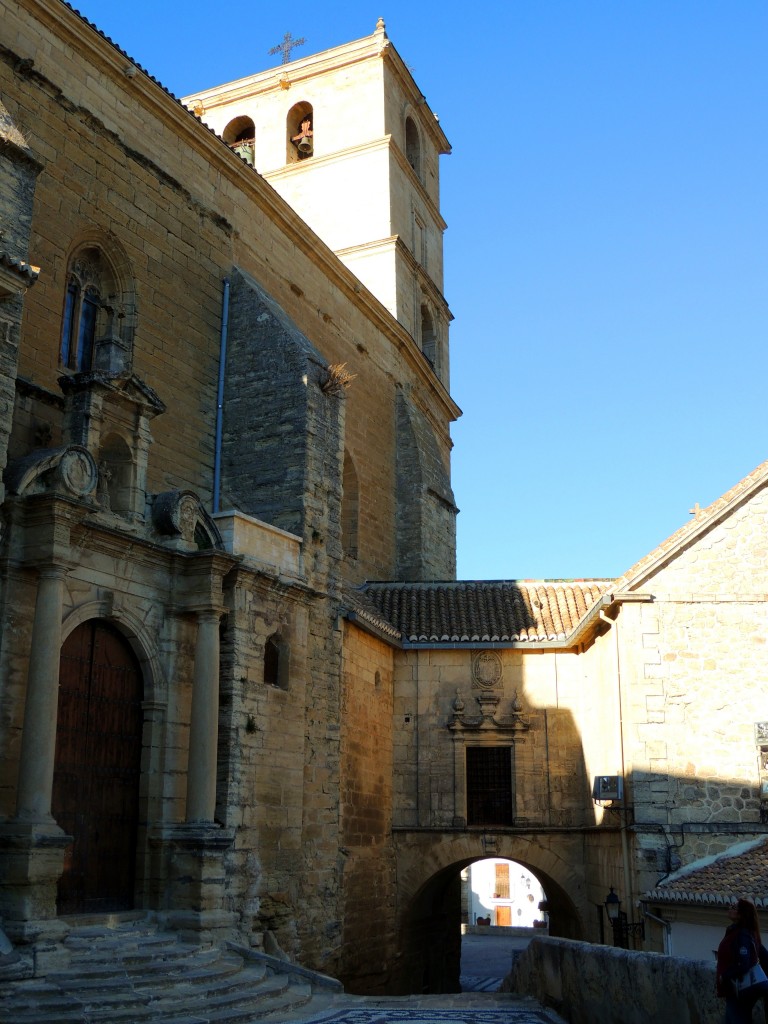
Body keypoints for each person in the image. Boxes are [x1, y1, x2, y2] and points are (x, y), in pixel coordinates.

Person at [716, 898, 768, 1024]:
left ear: (740, 915)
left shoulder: (743, 934)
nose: (729, 908)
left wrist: (725, 975)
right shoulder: (741, 932)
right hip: (736, 990)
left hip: (739, 989)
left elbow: (744, 963)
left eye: (734, 907)